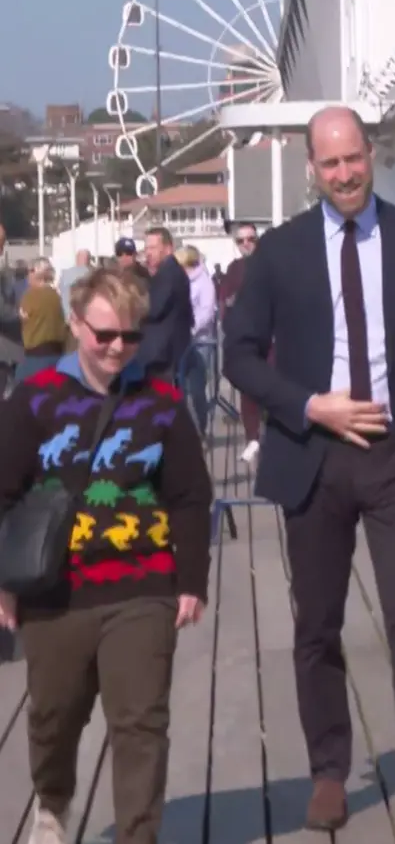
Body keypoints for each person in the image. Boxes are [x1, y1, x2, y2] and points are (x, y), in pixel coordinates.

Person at [223, 105, 395, 844]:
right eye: (328, 163)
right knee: (317, 625)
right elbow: (240, 353)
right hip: (314, 454)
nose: (343, 174)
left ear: (370, 153)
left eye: (352, 158)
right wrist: (310, 405)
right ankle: (330, 770)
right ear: (312, 168)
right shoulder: (278, 252)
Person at [0, 265, 212, 844]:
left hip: (143, 586)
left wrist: (191, 578)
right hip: (54, 592)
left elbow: (192, 495)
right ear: (75, 326)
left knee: (141, 722)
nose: (118, 348)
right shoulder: (36, 398)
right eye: (104, 336)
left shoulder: (162, 399)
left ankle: (138, 834)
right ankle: (54, 801)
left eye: (130, 337)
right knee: (53, 719)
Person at [220, 222, 264, 463]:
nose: (246, 244)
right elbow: (225, 302)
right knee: (248, 392)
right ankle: (253, 438)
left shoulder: (269, 264)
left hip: (270, 341)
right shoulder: (234, 268)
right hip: (244, 340)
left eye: (251, 239)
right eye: (241, 240)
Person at [136, 227, 194, 381]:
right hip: (161, 354)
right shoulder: (165, 272)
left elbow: (153, 309)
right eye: (146, 248)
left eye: (153, 248)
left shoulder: (169, 273)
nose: (148, 253)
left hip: (163, 357)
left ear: (168, 249)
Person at [175, 245, 216, 437]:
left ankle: (201, 428)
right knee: (180, 389)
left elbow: (207, 312)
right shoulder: (178, 282)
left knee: (198, 388)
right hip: (179, 343)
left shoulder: (204, 281)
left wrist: (191, 329)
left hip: (200, 342)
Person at [15, 257, 66, 383]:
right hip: (57, 357)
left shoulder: (30, 296)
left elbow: (23, 318)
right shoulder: (56, 295)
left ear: (34, 273)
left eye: (29, 272)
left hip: (35, 359)